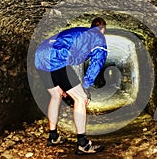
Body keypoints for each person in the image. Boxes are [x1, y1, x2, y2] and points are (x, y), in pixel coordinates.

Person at [34, 17, 107, 155]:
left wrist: (64, 84)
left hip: (40, 55)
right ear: (103, 30)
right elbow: (97, 63)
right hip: (57, 59)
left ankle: (53, 136)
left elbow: (62, 43)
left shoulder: (79, 31)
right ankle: (82, 144)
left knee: (56, 95)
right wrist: (86, 86)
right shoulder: (99, 38)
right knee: (80, 99)